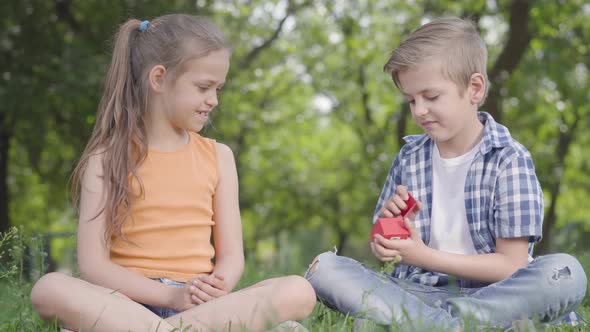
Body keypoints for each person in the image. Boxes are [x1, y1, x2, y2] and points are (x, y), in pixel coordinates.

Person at [30, 14, 316, 332]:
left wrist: (214, 287)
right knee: (49, 289)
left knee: (299, 291)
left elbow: (232, 257)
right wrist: (170, 295)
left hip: (200, 306)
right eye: (204, 87)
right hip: (124, 305)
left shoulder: (219, 157)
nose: (214, 100)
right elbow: (94, 265)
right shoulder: (106, 158)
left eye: (218, 88)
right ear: (159, 78)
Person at [305, 17, 586, 331]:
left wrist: (423, 255)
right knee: (325, 267)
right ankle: (457, 325)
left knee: (565, 273)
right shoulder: (409, 158)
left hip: (497, 296)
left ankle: (423, 325)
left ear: (474, 88)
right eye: (411, 100)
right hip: (418, 294)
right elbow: (388, 257)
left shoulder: (509, 158)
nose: (419, 111)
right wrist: (387, 233)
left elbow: (511, 265)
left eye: (431, 97)